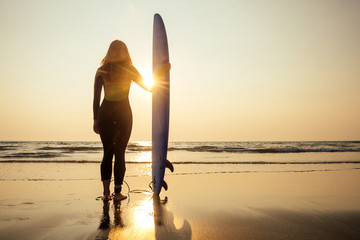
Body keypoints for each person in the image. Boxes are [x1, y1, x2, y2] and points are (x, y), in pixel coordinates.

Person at [93, 40, 151, 201]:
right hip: (124, 114)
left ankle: (106, 194)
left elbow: (96, 99)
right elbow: (149, 87)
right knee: (119, 153)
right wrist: (162, 72)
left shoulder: (101, 70)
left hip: (105, 114)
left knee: (107, 153)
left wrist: (95, 119)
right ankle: (117, 193)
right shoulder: (129, 69)